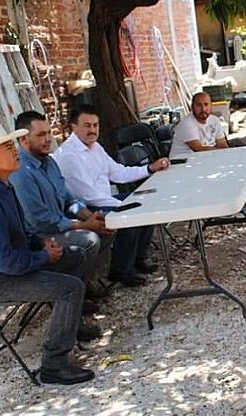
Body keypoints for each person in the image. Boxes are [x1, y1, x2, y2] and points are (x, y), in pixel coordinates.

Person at [0, 120, 98, 385]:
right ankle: (54, 365)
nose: (14, 151)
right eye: (7, 147)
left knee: (76, 255)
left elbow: (20, 232)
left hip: (10, 267)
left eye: (12, 145)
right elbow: (3, 262)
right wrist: (43, 257)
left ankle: (69, 326)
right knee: (70, 289)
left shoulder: (2, 186)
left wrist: (42, 246)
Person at [54, 104, 171, 287]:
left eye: (95, 125)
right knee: (130, 214)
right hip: (84, 208)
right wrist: (123, 206)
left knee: (145, 203)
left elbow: (118, 172)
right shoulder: (69, 156)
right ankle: (121, 271)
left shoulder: (95, 147)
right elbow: (88, 195)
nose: (93, 130)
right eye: (87, 125)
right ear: (73, 127)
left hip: (103, 200)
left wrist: (149, 168)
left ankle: (138, 259)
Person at [9, 111, 113, 309]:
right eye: (41, 135)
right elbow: (39, 220)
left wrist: (90, 216)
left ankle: (84, 283)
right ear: (23, 139)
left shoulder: (49, 162)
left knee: (107, 225)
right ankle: (71, 297)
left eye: (49, 133)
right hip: (39, 238)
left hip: (60, 226)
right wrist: (84, 225)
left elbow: (68, 200)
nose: (48, 139)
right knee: (89, 240)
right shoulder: (21, 172)